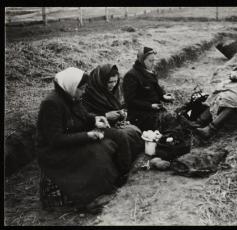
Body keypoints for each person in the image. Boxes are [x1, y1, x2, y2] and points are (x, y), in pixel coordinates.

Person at [36, 67, 141, 213]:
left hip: (74, 137)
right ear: (72, 86)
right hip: (54, 151)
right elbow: (55, 139)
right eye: (82, 89)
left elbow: (84, 116)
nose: (84, 92)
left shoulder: (71, 96)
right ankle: (88, 199)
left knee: (117, 136)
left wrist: (96, 120)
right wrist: (88, 136)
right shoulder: (51, 104)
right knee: (96, 152)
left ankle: (121, 176)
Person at [82, 63, 143, 156]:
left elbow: (117, 105)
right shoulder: (88, 93)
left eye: (115, 81)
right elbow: (84, 115)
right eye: (110, 82)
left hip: (111, 125)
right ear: (101, 81)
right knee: (124, 136)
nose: (113, 85)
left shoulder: (111, 90)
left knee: (135, 131)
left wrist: (121, 113)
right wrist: (105, 115)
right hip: (95, 127)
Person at [122, 46, 174, 132]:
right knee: (170, 122)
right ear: (142, 60)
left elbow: (155, 89)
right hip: (140, 115)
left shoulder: (149, 72)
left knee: (175, 119)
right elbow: (130, 101)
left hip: (154, 111)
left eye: (154, 60)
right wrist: (150, 106)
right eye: (150, 61)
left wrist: (163, 96)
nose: (153, 63)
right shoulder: (131, 76)